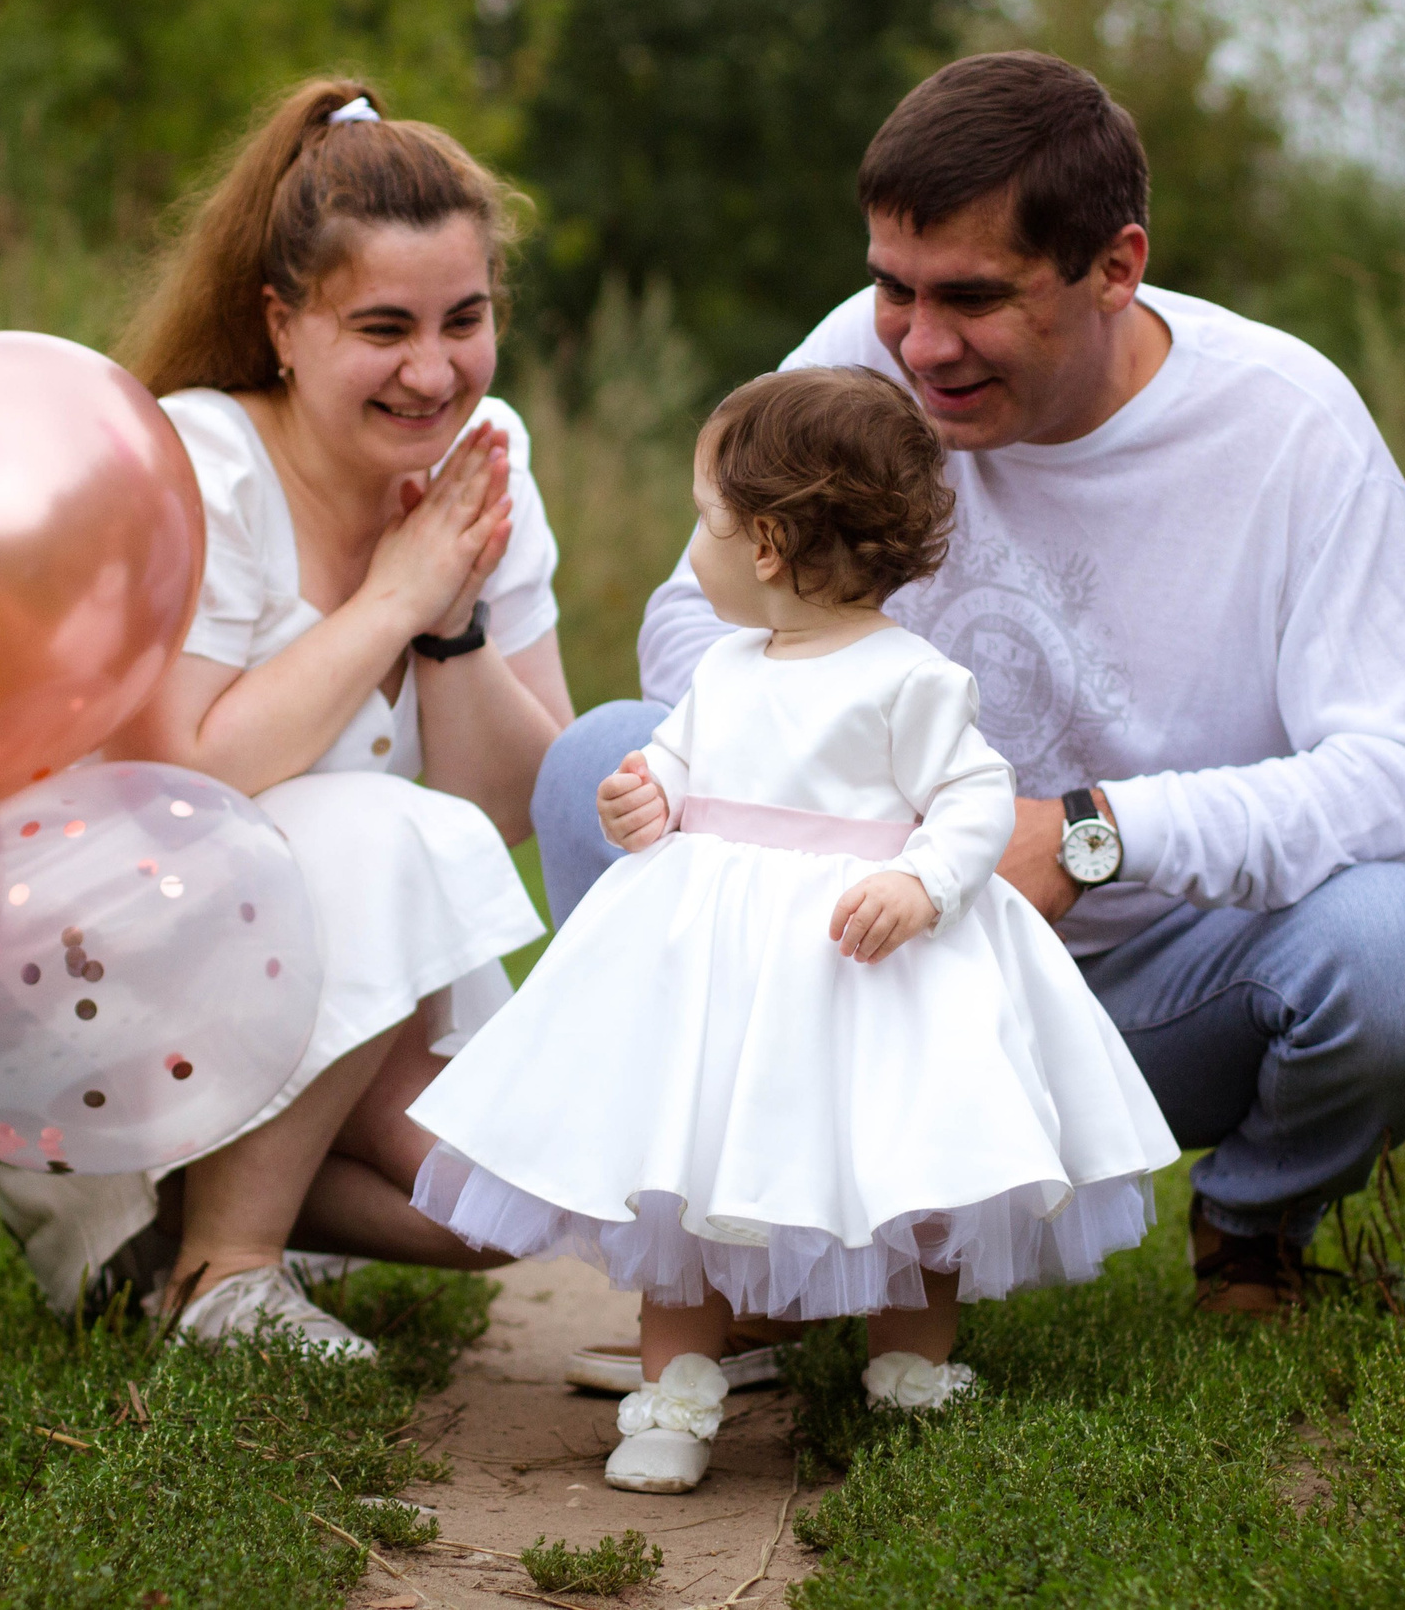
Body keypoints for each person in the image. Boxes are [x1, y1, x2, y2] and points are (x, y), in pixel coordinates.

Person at [535, 50, 1405, 1336]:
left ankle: (1252, 1229)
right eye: (894, 287)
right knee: (596, 759)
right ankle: (740, 1253)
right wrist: (829, 787)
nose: (920, 347)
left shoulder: (1288, 428)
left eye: (974, 299)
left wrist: (1092, 836)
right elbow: (688, 618)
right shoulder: (858, 359)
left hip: (1143, 1002)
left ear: (1115, 266)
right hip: (854, 971)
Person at [408, 367, 1179, 1494]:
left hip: (861, 965)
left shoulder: (913, 679)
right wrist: (646, 796)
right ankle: (677, 1393)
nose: (698, 543)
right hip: (724, 976)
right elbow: (675, 763)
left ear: (765, 544)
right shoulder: (724, 669)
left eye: (705, 520)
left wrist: (923, 883)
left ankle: (909, 1368)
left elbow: (971, 800)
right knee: (687, 1187)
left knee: (910, 1176)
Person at [0, 79, 573, 1352]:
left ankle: (221, 1211)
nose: (433, 370)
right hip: (128, 962)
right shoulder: (203, 464)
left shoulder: (483, 453)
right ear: (284, 324)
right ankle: (220, 1274)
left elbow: (512, 805)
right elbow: (184, 784)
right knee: (371, 821)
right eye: (382, 327)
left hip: (346, 977)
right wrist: (391, 602)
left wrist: (453, 621)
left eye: (464, 320)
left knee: (511, 1204)